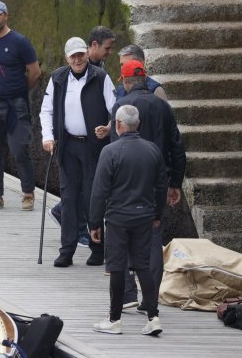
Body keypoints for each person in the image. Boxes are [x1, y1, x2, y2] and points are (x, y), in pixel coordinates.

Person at [111, 60, 186, 313]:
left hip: (126, 185)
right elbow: (177, 146)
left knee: (122, 237)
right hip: (157, 183)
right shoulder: (162, 106)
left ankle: (128, 293)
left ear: (124, 81)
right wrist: (175, 182)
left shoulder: (122, 106)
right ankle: (150, 300)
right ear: (145, 79)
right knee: (153, 240)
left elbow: (114, 151)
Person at [90, 105, 168, 336]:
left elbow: (99, 190)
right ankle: (153, 317)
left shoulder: (110, 152)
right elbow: (161, 186)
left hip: (118, 217)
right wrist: (157, 214)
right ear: (138, 124)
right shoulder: (153, 150)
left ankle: (115, 319)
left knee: (116, 266)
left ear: (119, 125)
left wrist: (94, 223)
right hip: (145, 216)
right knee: (143, 265)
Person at [40, 37, 116, 268]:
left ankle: (97, 248)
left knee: (93, 197)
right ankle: (67, 249)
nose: (78, 59)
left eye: (81, 54)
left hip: (94, 146)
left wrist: (109, 128)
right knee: (69, 197)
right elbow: (46, 110)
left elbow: (115, 109)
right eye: (73, 56)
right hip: (68, 146)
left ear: (87, 54)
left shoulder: (101, 77)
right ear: (67, 58)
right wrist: (47, 136)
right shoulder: (58, 78)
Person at [0, 0, 41, 211]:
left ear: (6, 16)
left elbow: (35, 72)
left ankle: (28, 193)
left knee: (19, 148)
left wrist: (19, 91)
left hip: (16, 105)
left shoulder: (20, 41)